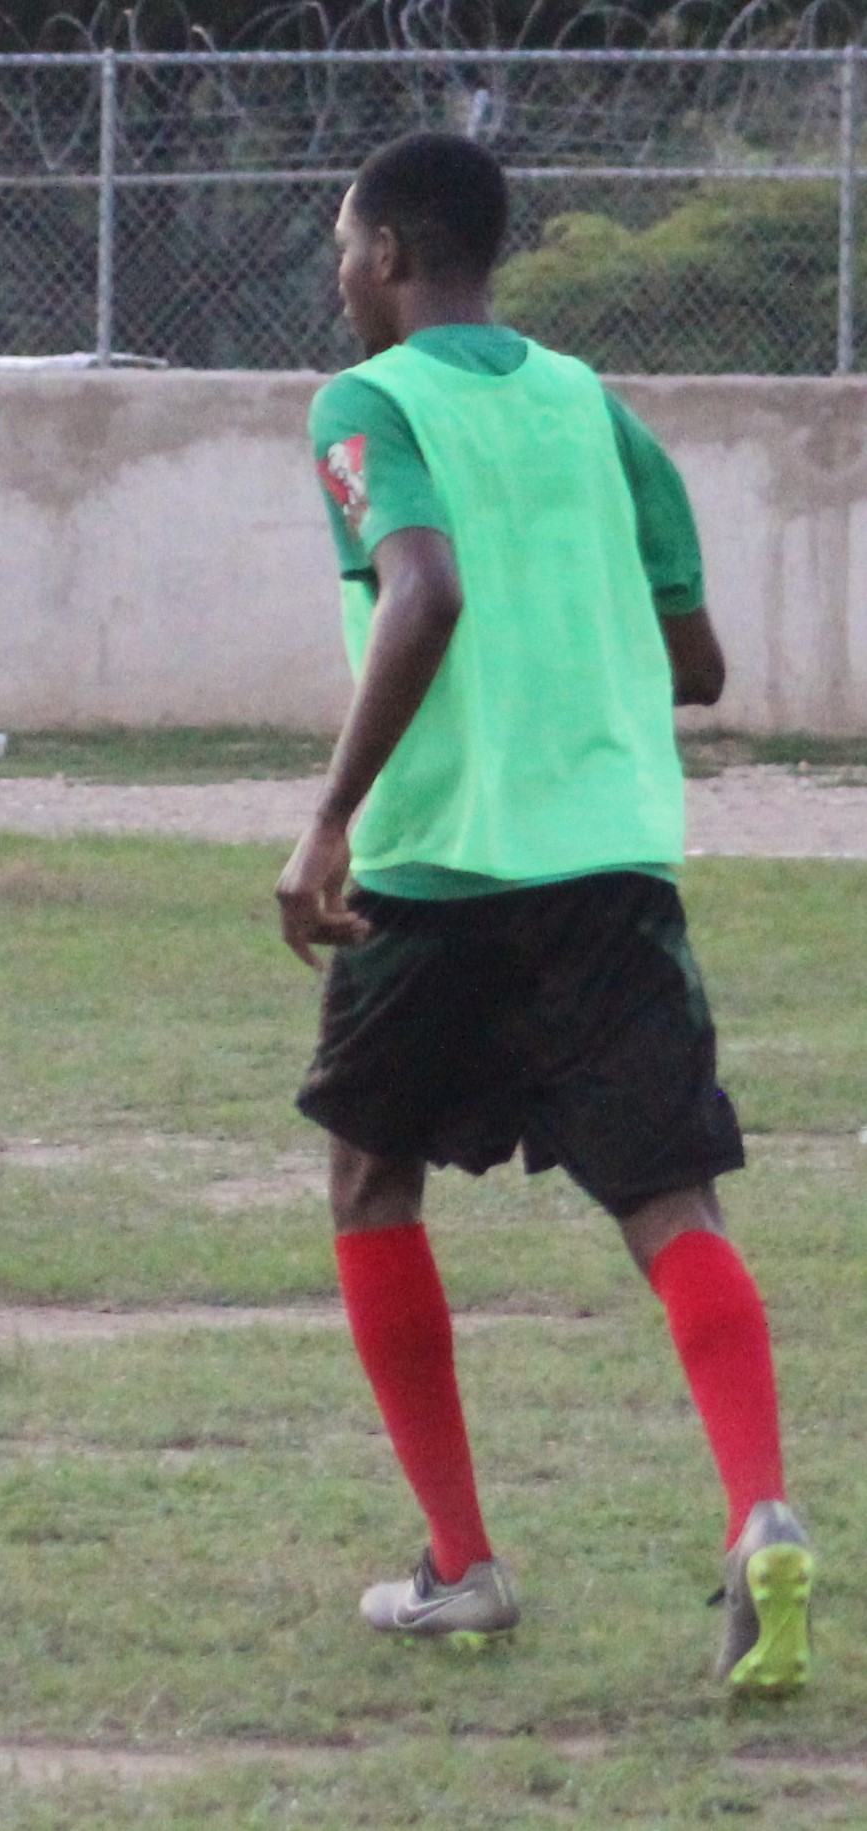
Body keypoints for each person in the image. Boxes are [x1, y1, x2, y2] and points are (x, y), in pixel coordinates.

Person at [276, 134, 814, 1693]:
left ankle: (461, 1563)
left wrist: (325, 816)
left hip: (439, 869)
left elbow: (424, 590)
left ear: (384, 253)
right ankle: (760, 1507)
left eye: (340, 245)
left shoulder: (367, 403)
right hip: (613, 870)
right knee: (671, 1206)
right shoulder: (593, 405)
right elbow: (697, 661)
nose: (336, 273)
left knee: (372, 1178)